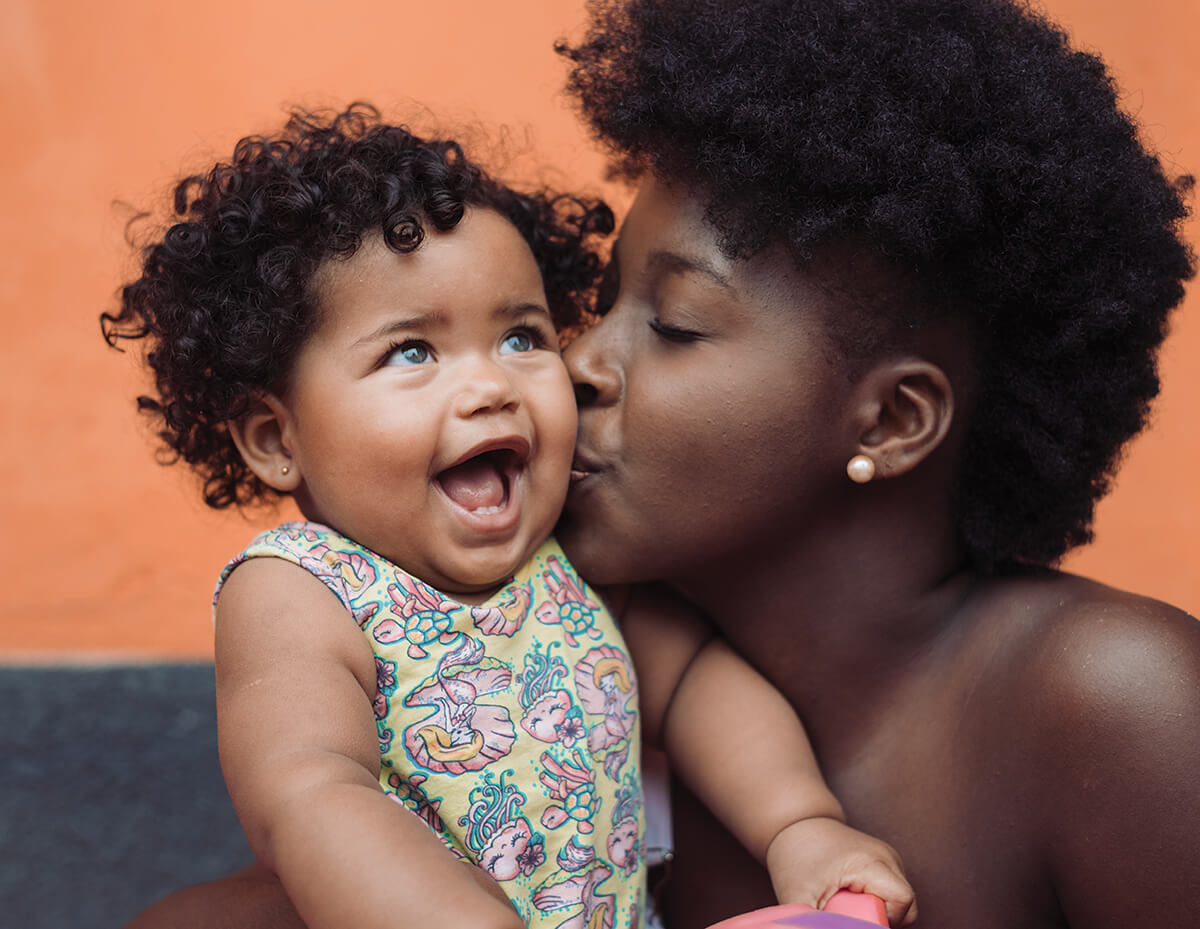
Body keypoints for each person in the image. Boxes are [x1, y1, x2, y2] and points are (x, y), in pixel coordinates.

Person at [103, 104, 915, 929]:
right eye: (412, 352)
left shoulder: (563, 564)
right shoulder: (302, 589)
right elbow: (310, 785)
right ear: (278, 438)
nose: (493, 385)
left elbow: (699, 685)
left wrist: (798, 822)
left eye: (523, 338)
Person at [552, 0, 1200, 927]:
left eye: (673, 324)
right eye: (604, 299)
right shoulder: (562, 669)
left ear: (891, 421)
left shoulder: (1115, 698)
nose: (576, 362)